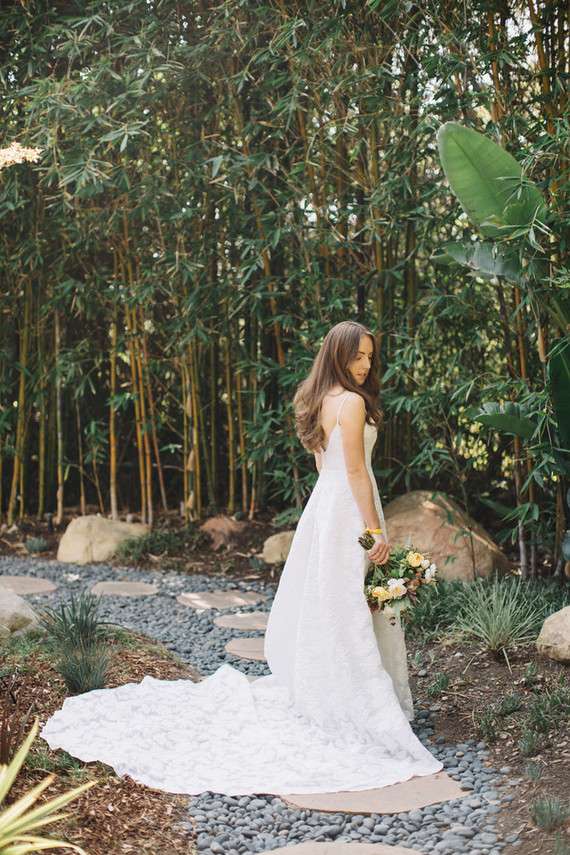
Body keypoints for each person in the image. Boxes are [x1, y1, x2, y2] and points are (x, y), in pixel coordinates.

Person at [42, 321, 442, 796]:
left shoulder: (321, 400)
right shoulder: (352, 402)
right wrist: (375, 529)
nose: (367, 365)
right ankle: (358, 702)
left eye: (370, 357)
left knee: (338, 603)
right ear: (338, 356)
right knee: (351, 604)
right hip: (350, 507)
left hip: (326, 507)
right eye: (359, 356)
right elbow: (355, 468)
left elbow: (325, 466)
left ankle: (337, 693)